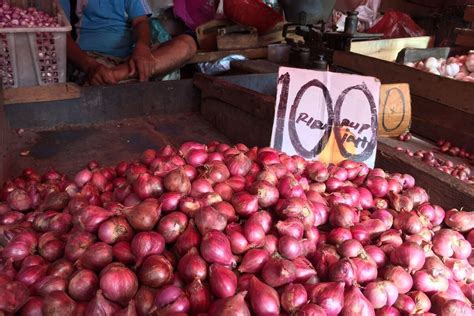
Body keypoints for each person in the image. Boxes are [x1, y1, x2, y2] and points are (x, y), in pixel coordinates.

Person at [59, 0, 197, 85]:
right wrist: (90, 66)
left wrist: (142, 48)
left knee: (187, 43)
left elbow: (140, 21)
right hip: (93, 58)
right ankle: (122, 77)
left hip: (129, 59)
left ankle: (117, 75)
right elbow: (62, 35)